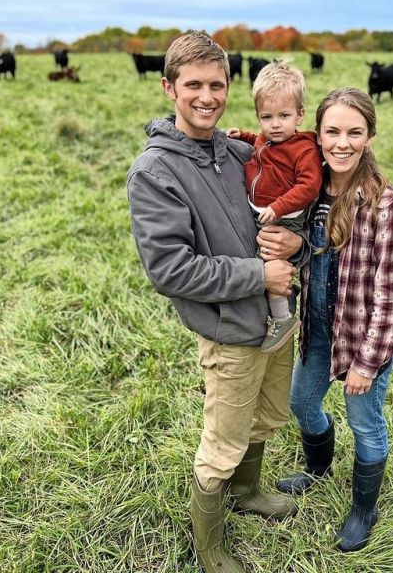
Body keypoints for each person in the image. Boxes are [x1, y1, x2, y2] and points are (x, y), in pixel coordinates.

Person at [126, 32, 310, 573]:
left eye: (217, 84)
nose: (207, 96)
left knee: (268, 415)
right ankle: (210, 546)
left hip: (276, 321)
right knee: (222, 440)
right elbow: (170, 269)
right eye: (194, 85)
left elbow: (297, 202)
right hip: (230, 328)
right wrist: (260, 275)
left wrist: (296, 243)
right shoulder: (155, 172)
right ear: (168, 88)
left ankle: (248, 492)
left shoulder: (239, 151)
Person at [277, 87, 393, 552]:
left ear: (369, 136)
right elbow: (306, 260)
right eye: (332, 131)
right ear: (317, 134)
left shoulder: (384, 205)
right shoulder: (310, 195)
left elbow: (392, 296)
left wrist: (367, 363)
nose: (342, 142)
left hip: (361, 340)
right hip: (317, 333)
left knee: (366, 423)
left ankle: (363, 507)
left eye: (354, 132)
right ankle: (318, 468)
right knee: (301, 403)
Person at [226, 61, 322, 353]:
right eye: (267, 117)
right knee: (258, 259)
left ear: (299, 116)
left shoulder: (303, 149)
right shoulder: (268, 138)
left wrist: (279, 208)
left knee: (270, 260)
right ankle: (271, 307)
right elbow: (258, 141)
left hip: (286, 218)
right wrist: (241, 135)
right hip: (265, 212)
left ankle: (282, 318)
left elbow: (309, 186)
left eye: (284, 116)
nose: (275, 124)